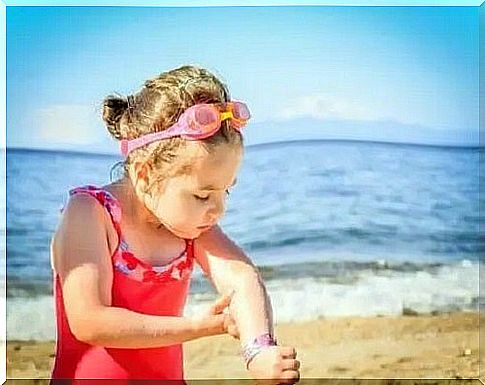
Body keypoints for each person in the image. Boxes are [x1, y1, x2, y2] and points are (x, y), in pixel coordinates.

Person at [49, 65, 301, 383]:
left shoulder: (188, 226)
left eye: (226, 191)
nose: (218, 209)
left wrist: (259, 349)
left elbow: (240, 277)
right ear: (144, 175)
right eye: (201, 195)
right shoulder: (90, 213)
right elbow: (90, 321)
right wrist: (201, 326)